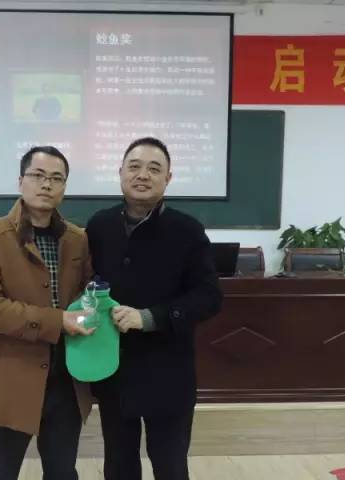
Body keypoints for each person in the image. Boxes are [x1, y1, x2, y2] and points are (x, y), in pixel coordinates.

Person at [86, 137, 224, 480]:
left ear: (168, 178)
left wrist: (149, 318)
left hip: (169, 372)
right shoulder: (99, 226)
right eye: (134, 166)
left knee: (170, 466)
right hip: (113, 370)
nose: (143, 175)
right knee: (119, 465)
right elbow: (86, 282)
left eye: (154, 168)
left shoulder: (187, 230)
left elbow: (209, 296)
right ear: (120, 172)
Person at [0, 145, 94, 480]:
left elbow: (88, 294)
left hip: (66, 379)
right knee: (2, 472)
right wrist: (57, 321)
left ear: (64, 187)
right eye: (38, 175)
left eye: (56, 178)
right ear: (20, 180)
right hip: (10, 375)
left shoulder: (78, 239)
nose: (46, 184)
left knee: (62, 472)